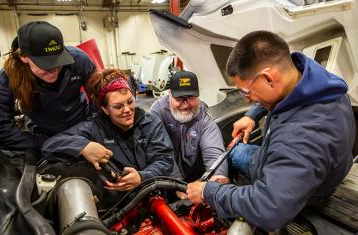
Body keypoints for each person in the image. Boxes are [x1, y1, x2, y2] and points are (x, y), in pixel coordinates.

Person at [186, 30, 355, 231]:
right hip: (278, 158)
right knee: (235, 152)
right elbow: (287, 94)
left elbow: (268, 209)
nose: (248, 99)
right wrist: (252, 115)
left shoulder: (303, 137)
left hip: (305, 191)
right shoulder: (314, 79)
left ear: (268, 78)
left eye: (247, 92)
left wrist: (209, 192)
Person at [42, 68, 174, 192]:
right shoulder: (94, 127)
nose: (127, 110)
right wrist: (83, 147)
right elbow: (50, 145)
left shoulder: (151, 122)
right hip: (116, 205)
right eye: (118, 106)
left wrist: (142, 177)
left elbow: (164, 160)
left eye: (130, 102)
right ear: (105, 109)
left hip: (153, 192)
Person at [0, 21, 96, 151]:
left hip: (82, 129)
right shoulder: (11, 74)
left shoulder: (79, 60)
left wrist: (90, 129)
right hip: (42, 136)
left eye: (59, 61)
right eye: (47, 64)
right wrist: (41, 144)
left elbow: (99, 100)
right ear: (24, 57)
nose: (55, 69)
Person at [150, 71, 228, 187]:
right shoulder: (158, 112)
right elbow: (159, 151)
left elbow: (213, 152)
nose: (185, 104)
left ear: (198, 95)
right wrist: (176, 183)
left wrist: (217, 175)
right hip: (166, 178)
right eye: (179, 98)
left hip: (197, 178)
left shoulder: (204, 115)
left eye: (190, 97)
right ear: (169, 94)